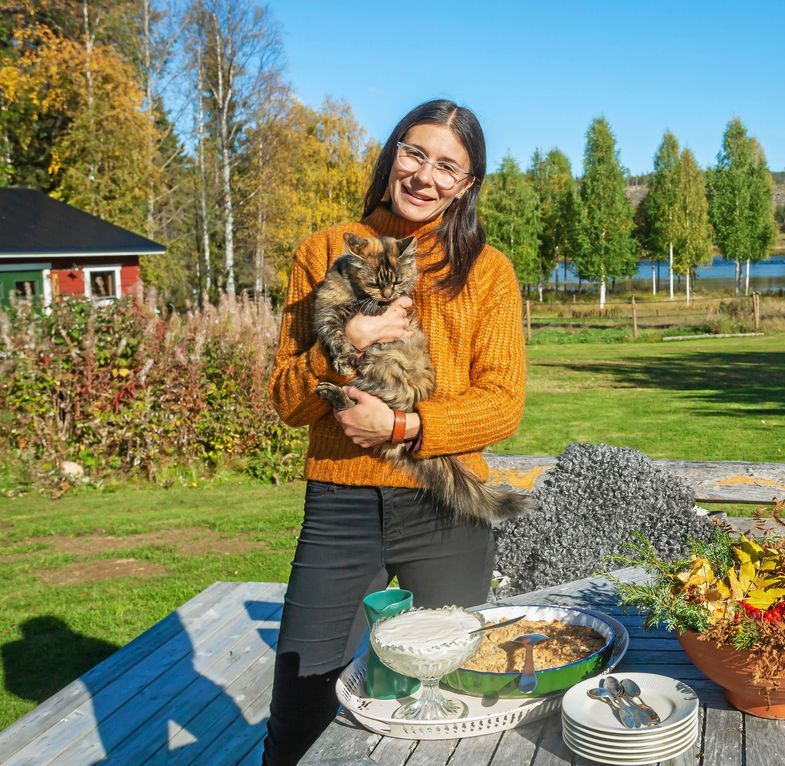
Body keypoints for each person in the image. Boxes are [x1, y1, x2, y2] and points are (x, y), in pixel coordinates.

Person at [262, 99, 527, 765]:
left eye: (448, 166)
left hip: (448, 506)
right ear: (391, 154)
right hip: (340, 505)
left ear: (467, 185)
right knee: (303, 697)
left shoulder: (488, 271)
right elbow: (287, 400)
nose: (425, 175)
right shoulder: (324, 249)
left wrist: (404, 426)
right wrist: (344, 339)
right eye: (415, 153)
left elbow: (502, 405)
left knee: (445, 698)